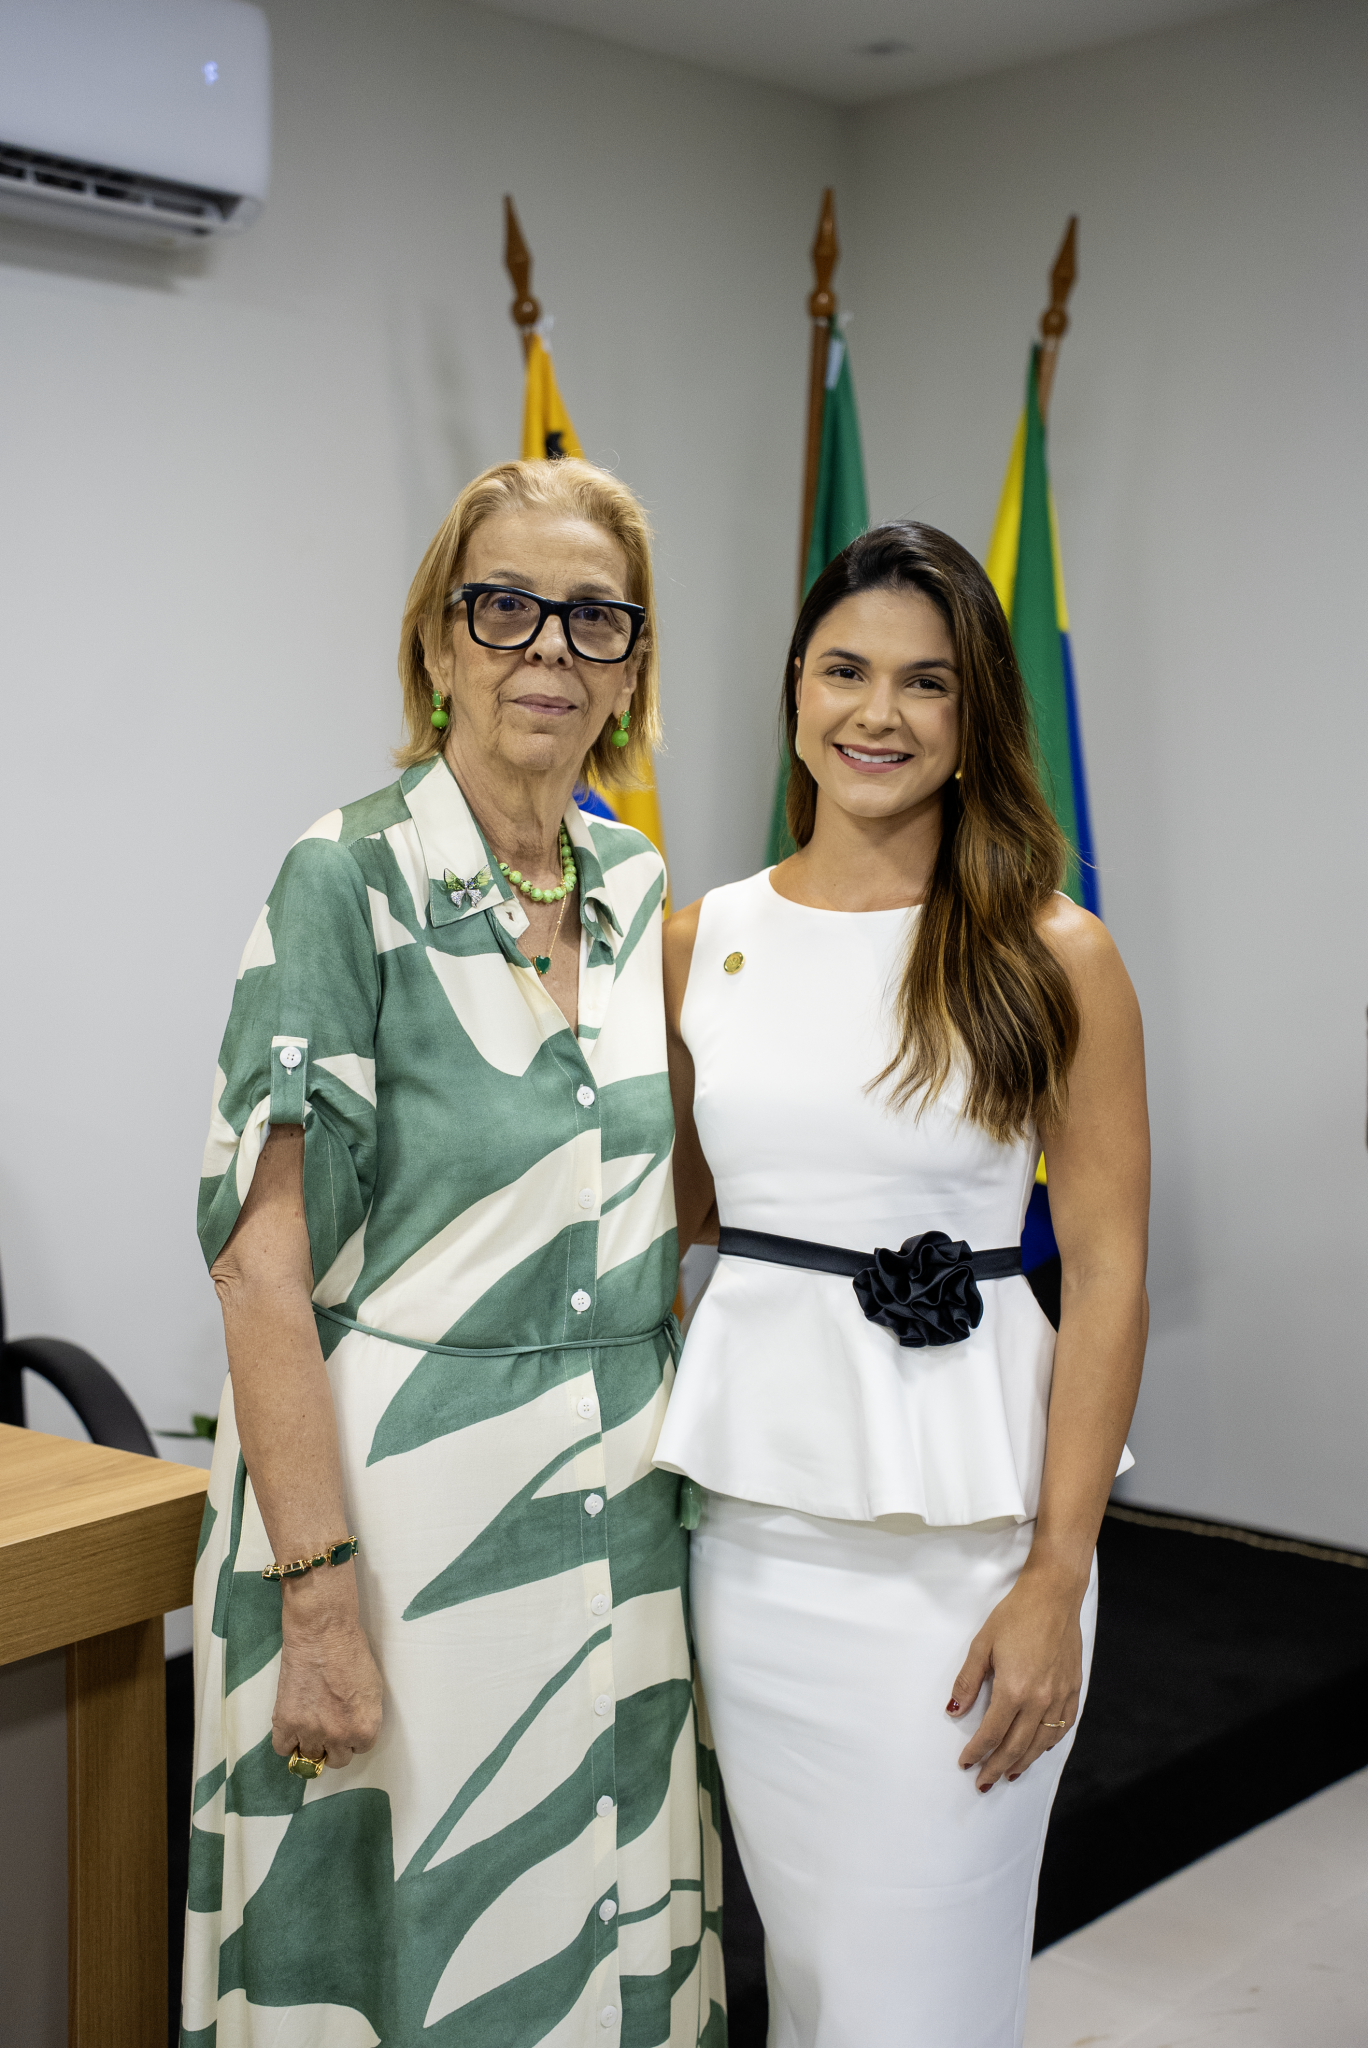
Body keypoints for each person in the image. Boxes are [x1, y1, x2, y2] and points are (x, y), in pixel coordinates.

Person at [184, 458, 725, 2048]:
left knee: (602, 1942)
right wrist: (320, 1608)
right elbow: (258, 1267)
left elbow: (664, 1204)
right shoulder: (345, 877)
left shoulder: (638, 884)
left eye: (596, 618)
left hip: (622, 1516)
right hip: (401, 1531)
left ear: (631, 668)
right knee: (421, 1957)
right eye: (505, 607)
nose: (549, 646)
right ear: (436, 642)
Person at [654, 522, 1148, 2047]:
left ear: (974, 711)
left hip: (969, 1562)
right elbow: (678, 1223)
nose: (879, 713)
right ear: (795, 689)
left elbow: (1112, 1274)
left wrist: (1057, 1576)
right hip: (755, 1549)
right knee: (811, 1978)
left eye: (926, 683)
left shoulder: (1051, 951)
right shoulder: (701, 941)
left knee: (916, 2000)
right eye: (845, 671)